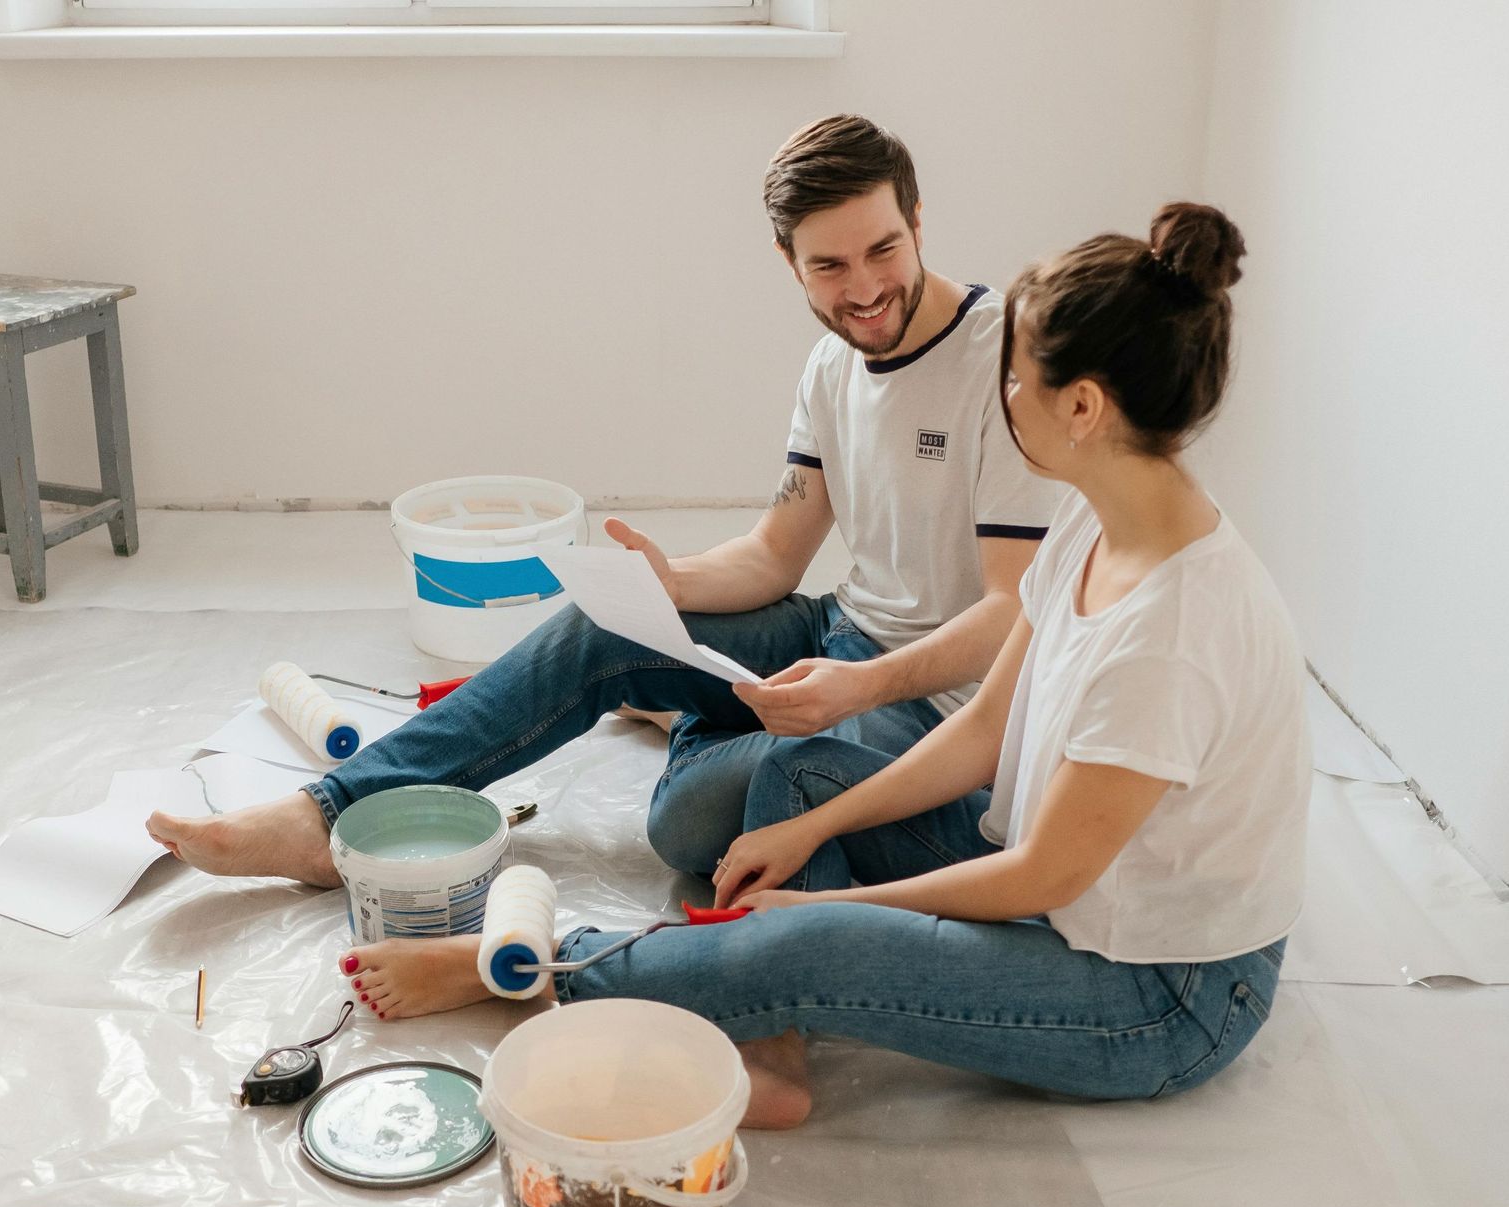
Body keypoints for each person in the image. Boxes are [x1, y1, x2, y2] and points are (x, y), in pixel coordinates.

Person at [337, 202, 1309, 1131]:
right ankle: (773, 1033)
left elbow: (1037, 877)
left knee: (807, 937)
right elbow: (982, 732)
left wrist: (826, 903)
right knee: (797, 783)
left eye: (1018, 381)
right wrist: (816, 826)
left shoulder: (1173, 631)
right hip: (1063, 894)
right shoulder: (1094, 524)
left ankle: (528, 968)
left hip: (1156, 992)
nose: (1005, 396)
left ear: (1084, 407)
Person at [145, 114, 1059, 887]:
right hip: (837, 634)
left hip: (936, 703)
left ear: (918, 221)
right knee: (599, 631)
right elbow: (776, 554)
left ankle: (690, 714)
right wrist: (671, 585)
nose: (862, 290)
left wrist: (857, 686)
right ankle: (328, 815)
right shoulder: (832, 364)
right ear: (788, 262)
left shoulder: (1002, 361)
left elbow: (1009, 612)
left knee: (688, 823)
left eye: (883, 250)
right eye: (828, 266)